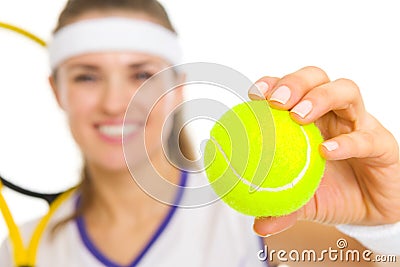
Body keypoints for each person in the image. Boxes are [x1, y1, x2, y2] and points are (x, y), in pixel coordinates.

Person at [0, 0, 399, 266]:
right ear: (57, 91)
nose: (115, 102)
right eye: (87, 76)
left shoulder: (261, 217)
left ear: (177, 87)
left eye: (141, 74)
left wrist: (387, 226)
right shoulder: (24, 250)